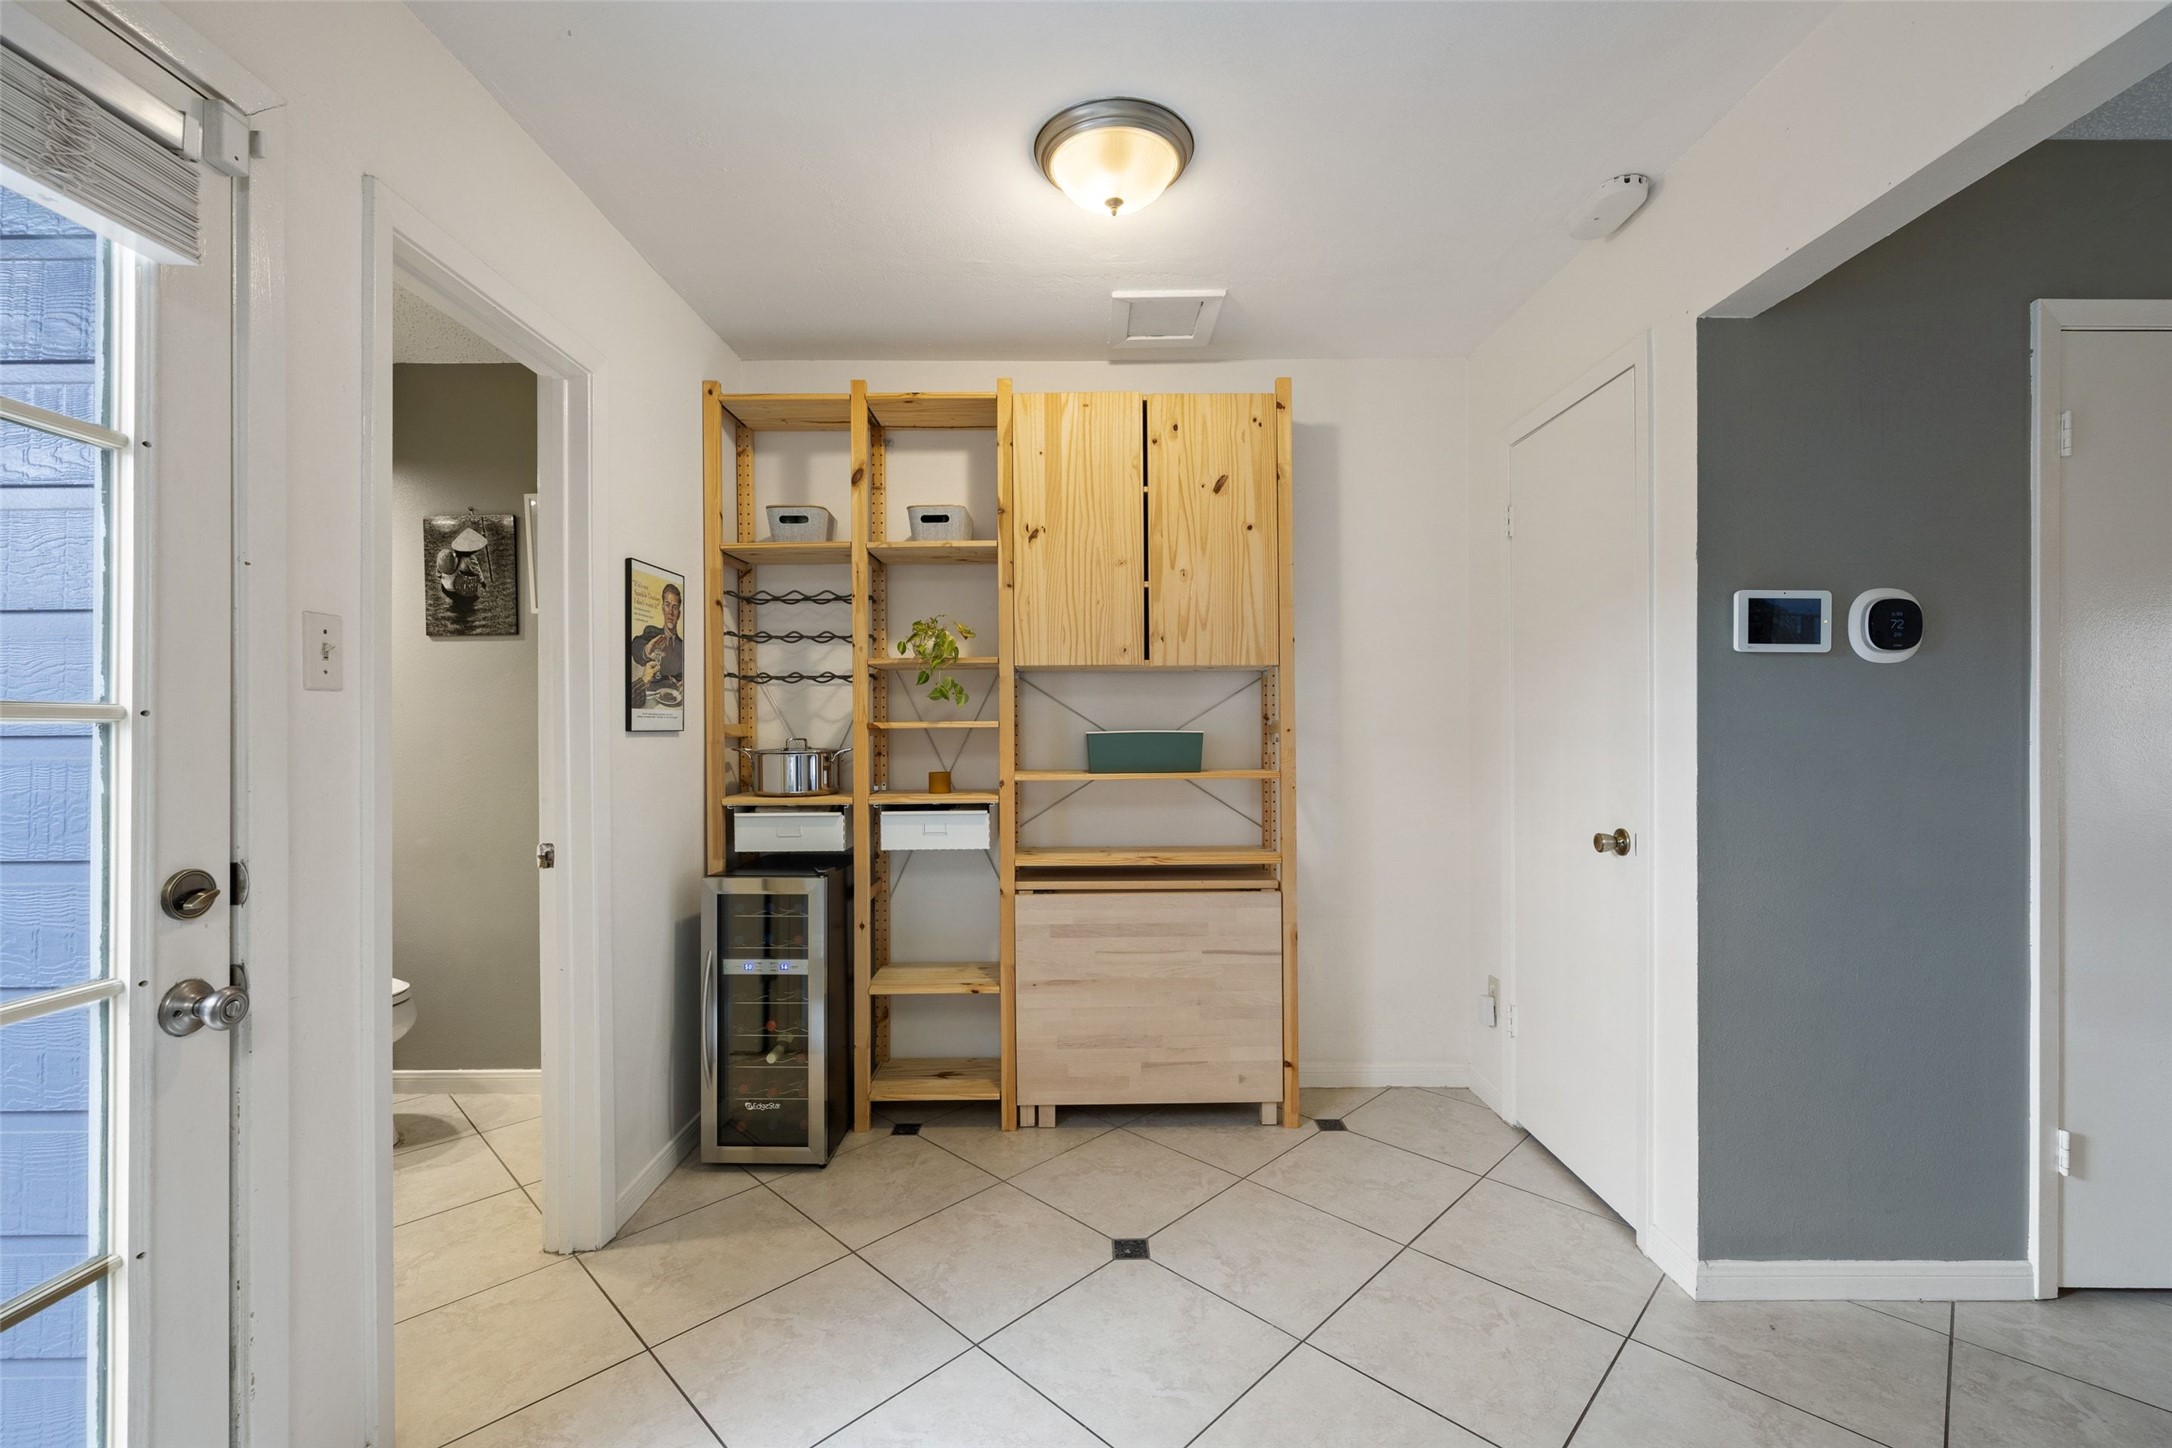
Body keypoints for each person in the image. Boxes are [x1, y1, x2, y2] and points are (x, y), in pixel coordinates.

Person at [629, 580, 685, 708]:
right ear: (662, 608)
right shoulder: (651, 632)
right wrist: (646, 650)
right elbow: (636, 645)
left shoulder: (683, 646)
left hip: (674, 703)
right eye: (667, 605)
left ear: (679, 614)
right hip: (648, 700)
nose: (670, 612)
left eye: (675, 607)